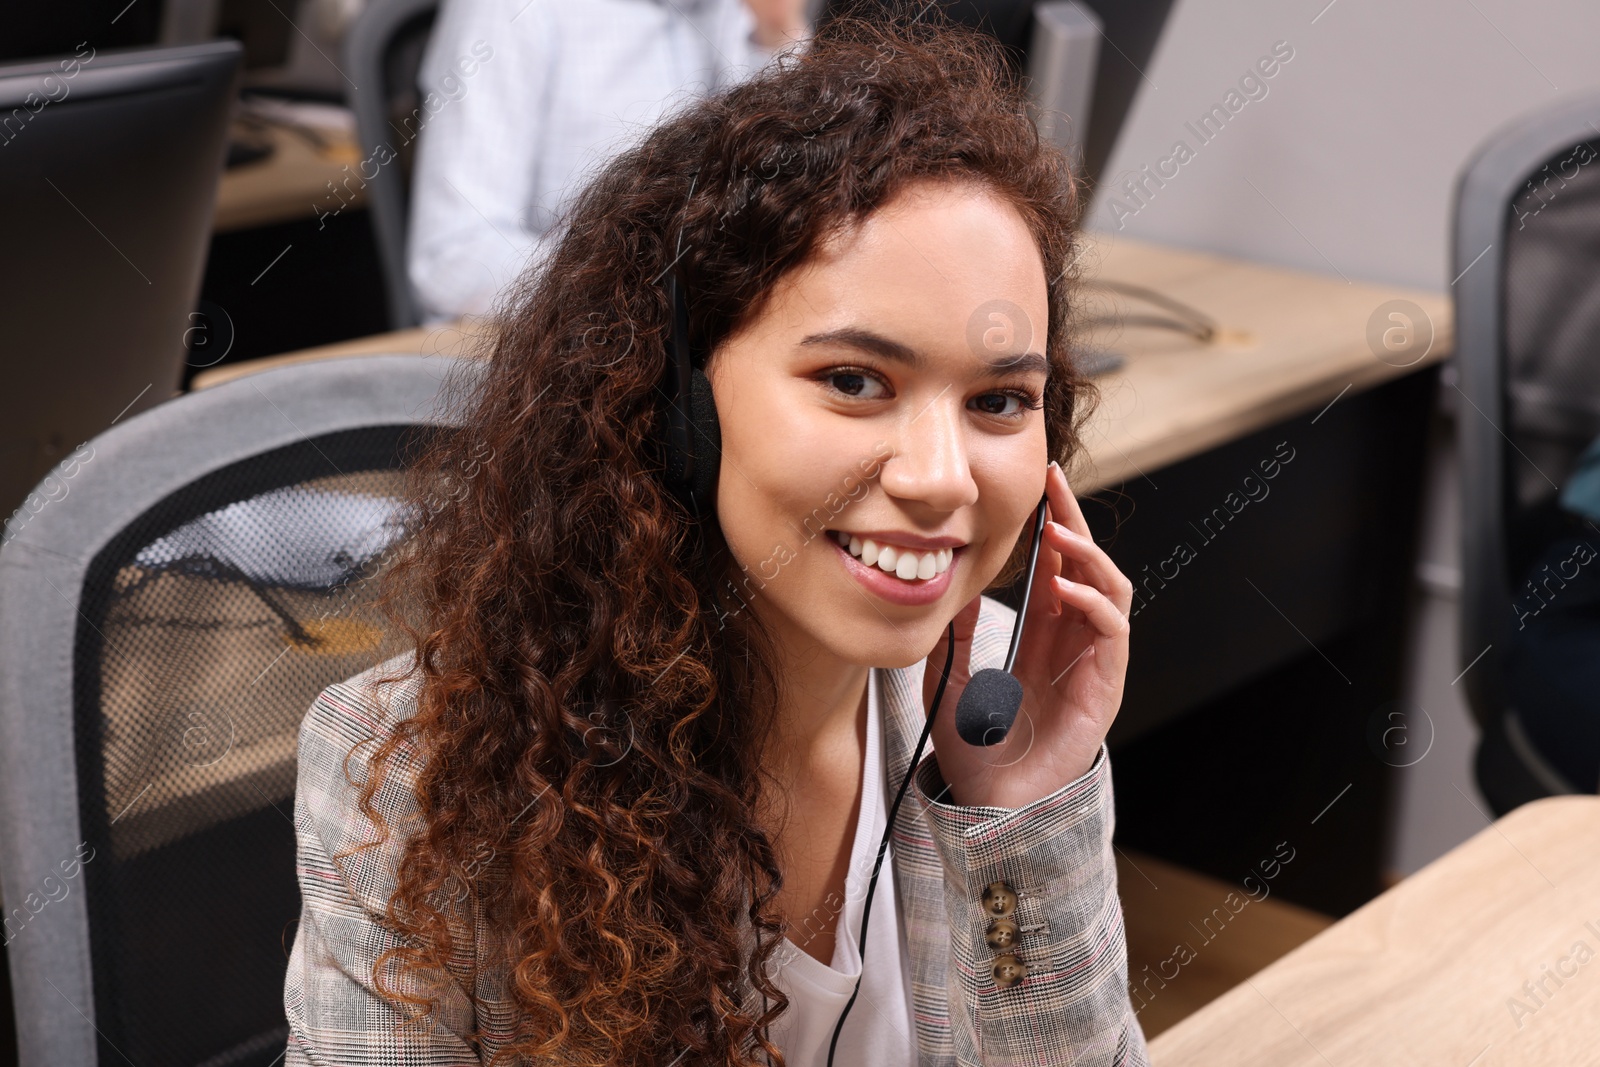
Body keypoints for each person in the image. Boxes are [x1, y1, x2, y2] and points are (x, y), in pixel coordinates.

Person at [285, 12, 1149, 1066]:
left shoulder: (999, 703)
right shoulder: (416, 771)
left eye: (1001, 400)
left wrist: (1020, 817)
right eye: (852, 380)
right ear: (679, 400)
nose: (940, 477)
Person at [406, 0, 812, 323]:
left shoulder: (726, 10)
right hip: (555, 344)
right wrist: (643, 283)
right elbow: (450, 258)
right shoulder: (509, 11)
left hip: (700, 329)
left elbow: (783, 188)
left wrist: (774, 34)